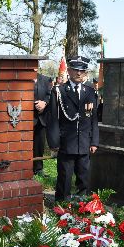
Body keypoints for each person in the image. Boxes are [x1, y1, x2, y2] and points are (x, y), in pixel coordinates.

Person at [46, 55, 99, 202]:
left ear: (86, 73)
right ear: (68, 70)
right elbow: (53, 120)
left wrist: (94, 141)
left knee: (84, 177)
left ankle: (81, 208)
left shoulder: (90, 92)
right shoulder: (60, 91)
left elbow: (94, 120)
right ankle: (62, 209)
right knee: (64, 178)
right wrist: (54, 143)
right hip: (66, 143)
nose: (79, 73)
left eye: (82, 70)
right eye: (75, 69)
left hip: (84, 142)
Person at [33, 73, 52, 175]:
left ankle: (38, 168)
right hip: (27, 117)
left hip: (41, 118)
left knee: (39, 144)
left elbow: (49, 94)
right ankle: (25, 168)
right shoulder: (23, 76)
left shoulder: (46, 79)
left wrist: (44, 103)